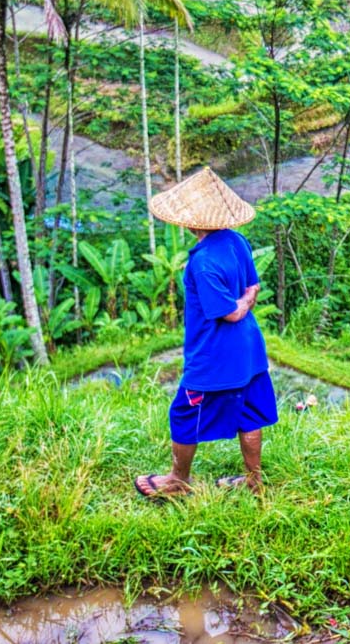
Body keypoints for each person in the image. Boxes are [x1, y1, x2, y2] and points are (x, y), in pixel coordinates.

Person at [135, 170, 276, 501]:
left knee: (184, 413)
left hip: (214, 357)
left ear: (188, 222)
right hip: (250, 349)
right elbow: (252, 288)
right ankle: (254, 481)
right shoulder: (237, 241)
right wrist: (245, 301)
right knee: (249, 413)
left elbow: (231, 312)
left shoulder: (201, 263)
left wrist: (240, 304)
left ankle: (177, 480)